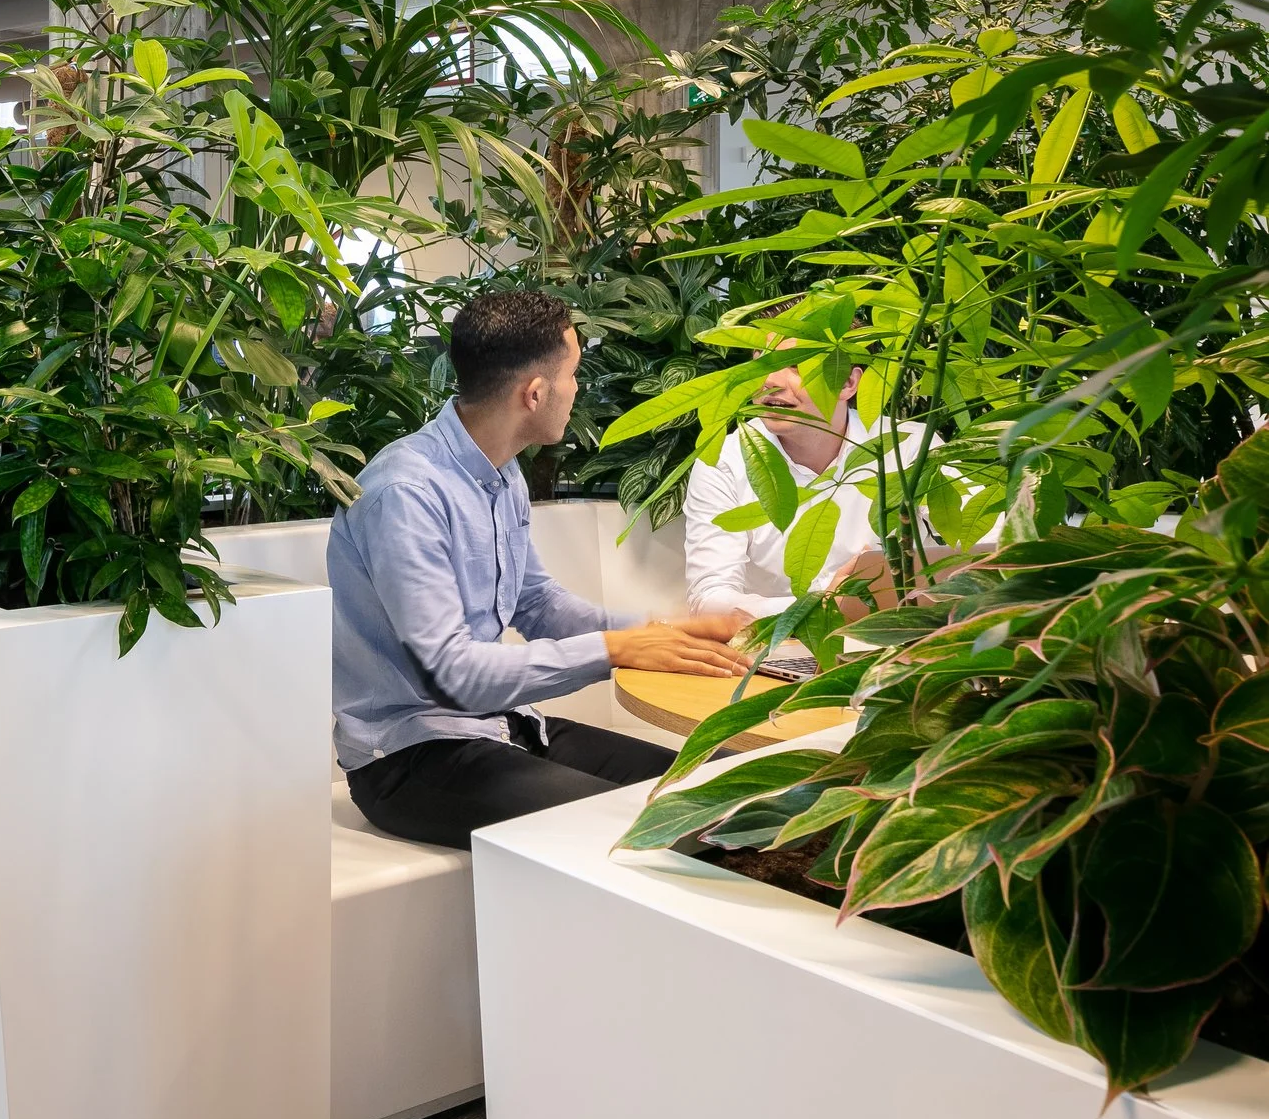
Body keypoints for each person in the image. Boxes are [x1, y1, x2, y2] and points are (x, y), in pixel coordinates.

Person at [330, 290, 752, 850]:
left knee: (728, 788)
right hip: (409, 758)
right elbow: (455, 677)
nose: (577, 390)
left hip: (505, 727)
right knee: (658, 831)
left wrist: (658, 630)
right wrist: (614, 649)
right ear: (535, 393)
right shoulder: (405, 493)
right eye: (573, 374)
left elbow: (537, 604)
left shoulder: (501, 474)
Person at [683, 363, 888, 621]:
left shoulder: (908, 448)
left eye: (796, 365)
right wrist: (819, 605)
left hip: (902, 644)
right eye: (762, 363)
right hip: (774, 648)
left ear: (846, 383)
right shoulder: (724, 462)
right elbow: (708, 601)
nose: (770, 380)